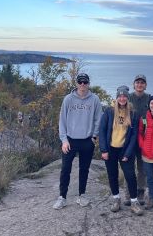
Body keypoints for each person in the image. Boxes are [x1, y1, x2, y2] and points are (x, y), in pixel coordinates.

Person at [53, 73, 102, 210]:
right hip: (70, 141)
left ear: (88, 83)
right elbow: (62, 121)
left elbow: (99, 119)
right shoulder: (68, 99)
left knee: (84, 169)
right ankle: (62, 197)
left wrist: (94, 136)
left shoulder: (95, 99)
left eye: (85, 82)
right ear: (76, 83)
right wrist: (64, 140)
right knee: (65, 170)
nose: (82, 85)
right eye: (80, 82)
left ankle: (82, 195)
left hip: (87, 140)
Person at [99, 85, 144, 216]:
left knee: (130, 176)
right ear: (117, 97)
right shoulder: (109, 111)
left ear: (127, 98)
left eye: (125, 96)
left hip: (125, 150)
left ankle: (134, 202)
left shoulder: (133, 114)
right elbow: (102, 131)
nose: (122, 98)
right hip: (110, 149)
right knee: (112, 175)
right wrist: (103, 150)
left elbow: (134, 135)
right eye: (120, 96)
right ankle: (116, 199)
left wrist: (128, 153)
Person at [126, 74, 150, 205]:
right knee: (128, 166)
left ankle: (140, 193)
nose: (140, 85)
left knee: (142, 168)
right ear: (133, 84)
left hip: (144, 138)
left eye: (142, 83)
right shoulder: (128, 97)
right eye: (137, 82)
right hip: (129, 137)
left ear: (145, 85)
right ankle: (128, 193)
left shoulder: (149, 98)